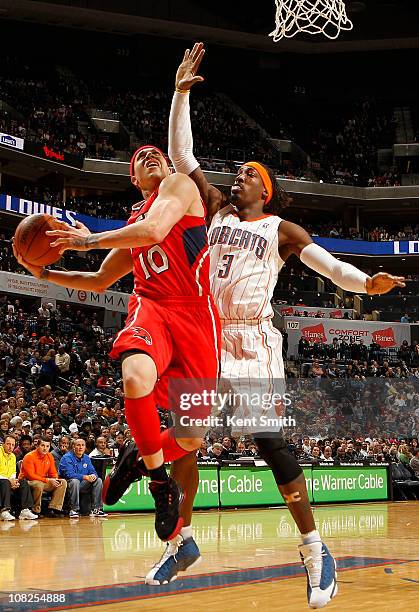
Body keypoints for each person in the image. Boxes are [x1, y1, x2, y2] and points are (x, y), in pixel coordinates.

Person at [147, 42, 405, 605]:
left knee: (269, 442)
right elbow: (180, 153)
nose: (235, 177)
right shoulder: (213, 208)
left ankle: (315, 550)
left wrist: (367, 285)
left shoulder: (281, 230)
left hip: (254, 339)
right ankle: (181, 540)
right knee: (186, 444)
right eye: (235, 173)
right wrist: (179, 92)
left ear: (265, 188)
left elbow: (330, 266)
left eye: (246, 174)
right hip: (206, 335)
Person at [14, 140, 220, 542]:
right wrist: (44, 277)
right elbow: (98, 282)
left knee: (193, 436)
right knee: (134, 376)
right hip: (153, 307)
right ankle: (160, 485)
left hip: (196, 317)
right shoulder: (134, 221)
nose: (149, 156)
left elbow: (157, 229)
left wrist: (88, 241)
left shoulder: (179, 186)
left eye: (154, 153)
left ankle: (135, 460)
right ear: (133, 178)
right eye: (139, 158)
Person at [18, 437, 67, 517]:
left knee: (62, 482)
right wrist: (48, 480)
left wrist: (55, 479)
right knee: (38, 484)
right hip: (27, 482)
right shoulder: (29, 456)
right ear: (37, 446)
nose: (45, 448)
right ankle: (35, 510)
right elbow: (31, 475)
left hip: (43, 481)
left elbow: (53, 472)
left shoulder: (49, 456)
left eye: (47, 446)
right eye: (42, 445)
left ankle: (54, 509)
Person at [59, 439, 106, 518]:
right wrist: (85, 477)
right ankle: (74, 509)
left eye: (82, 445)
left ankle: (97, 509)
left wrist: (93, 476)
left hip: (83, 484)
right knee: (75, 481)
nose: (80, 447)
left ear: (85, 447)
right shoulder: (67, 457)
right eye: (78, 445)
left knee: (98, 480)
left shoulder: (87, 458)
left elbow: (93, 471)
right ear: (73, 447)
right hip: (68, 485)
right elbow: (69, 474)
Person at [0, 435, 37, 521]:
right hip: (2, 481)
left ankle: (25, 510)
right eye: (8, 444)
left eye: (13, 445)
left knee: (23, 482)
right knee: (5, 482)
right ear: (3, 444)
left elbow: (13, 472)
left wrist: (14, 481)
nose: (10, 447)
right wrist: (9, 480)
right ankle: (4, 511)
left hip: (8, 481)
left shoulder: (13, 456)